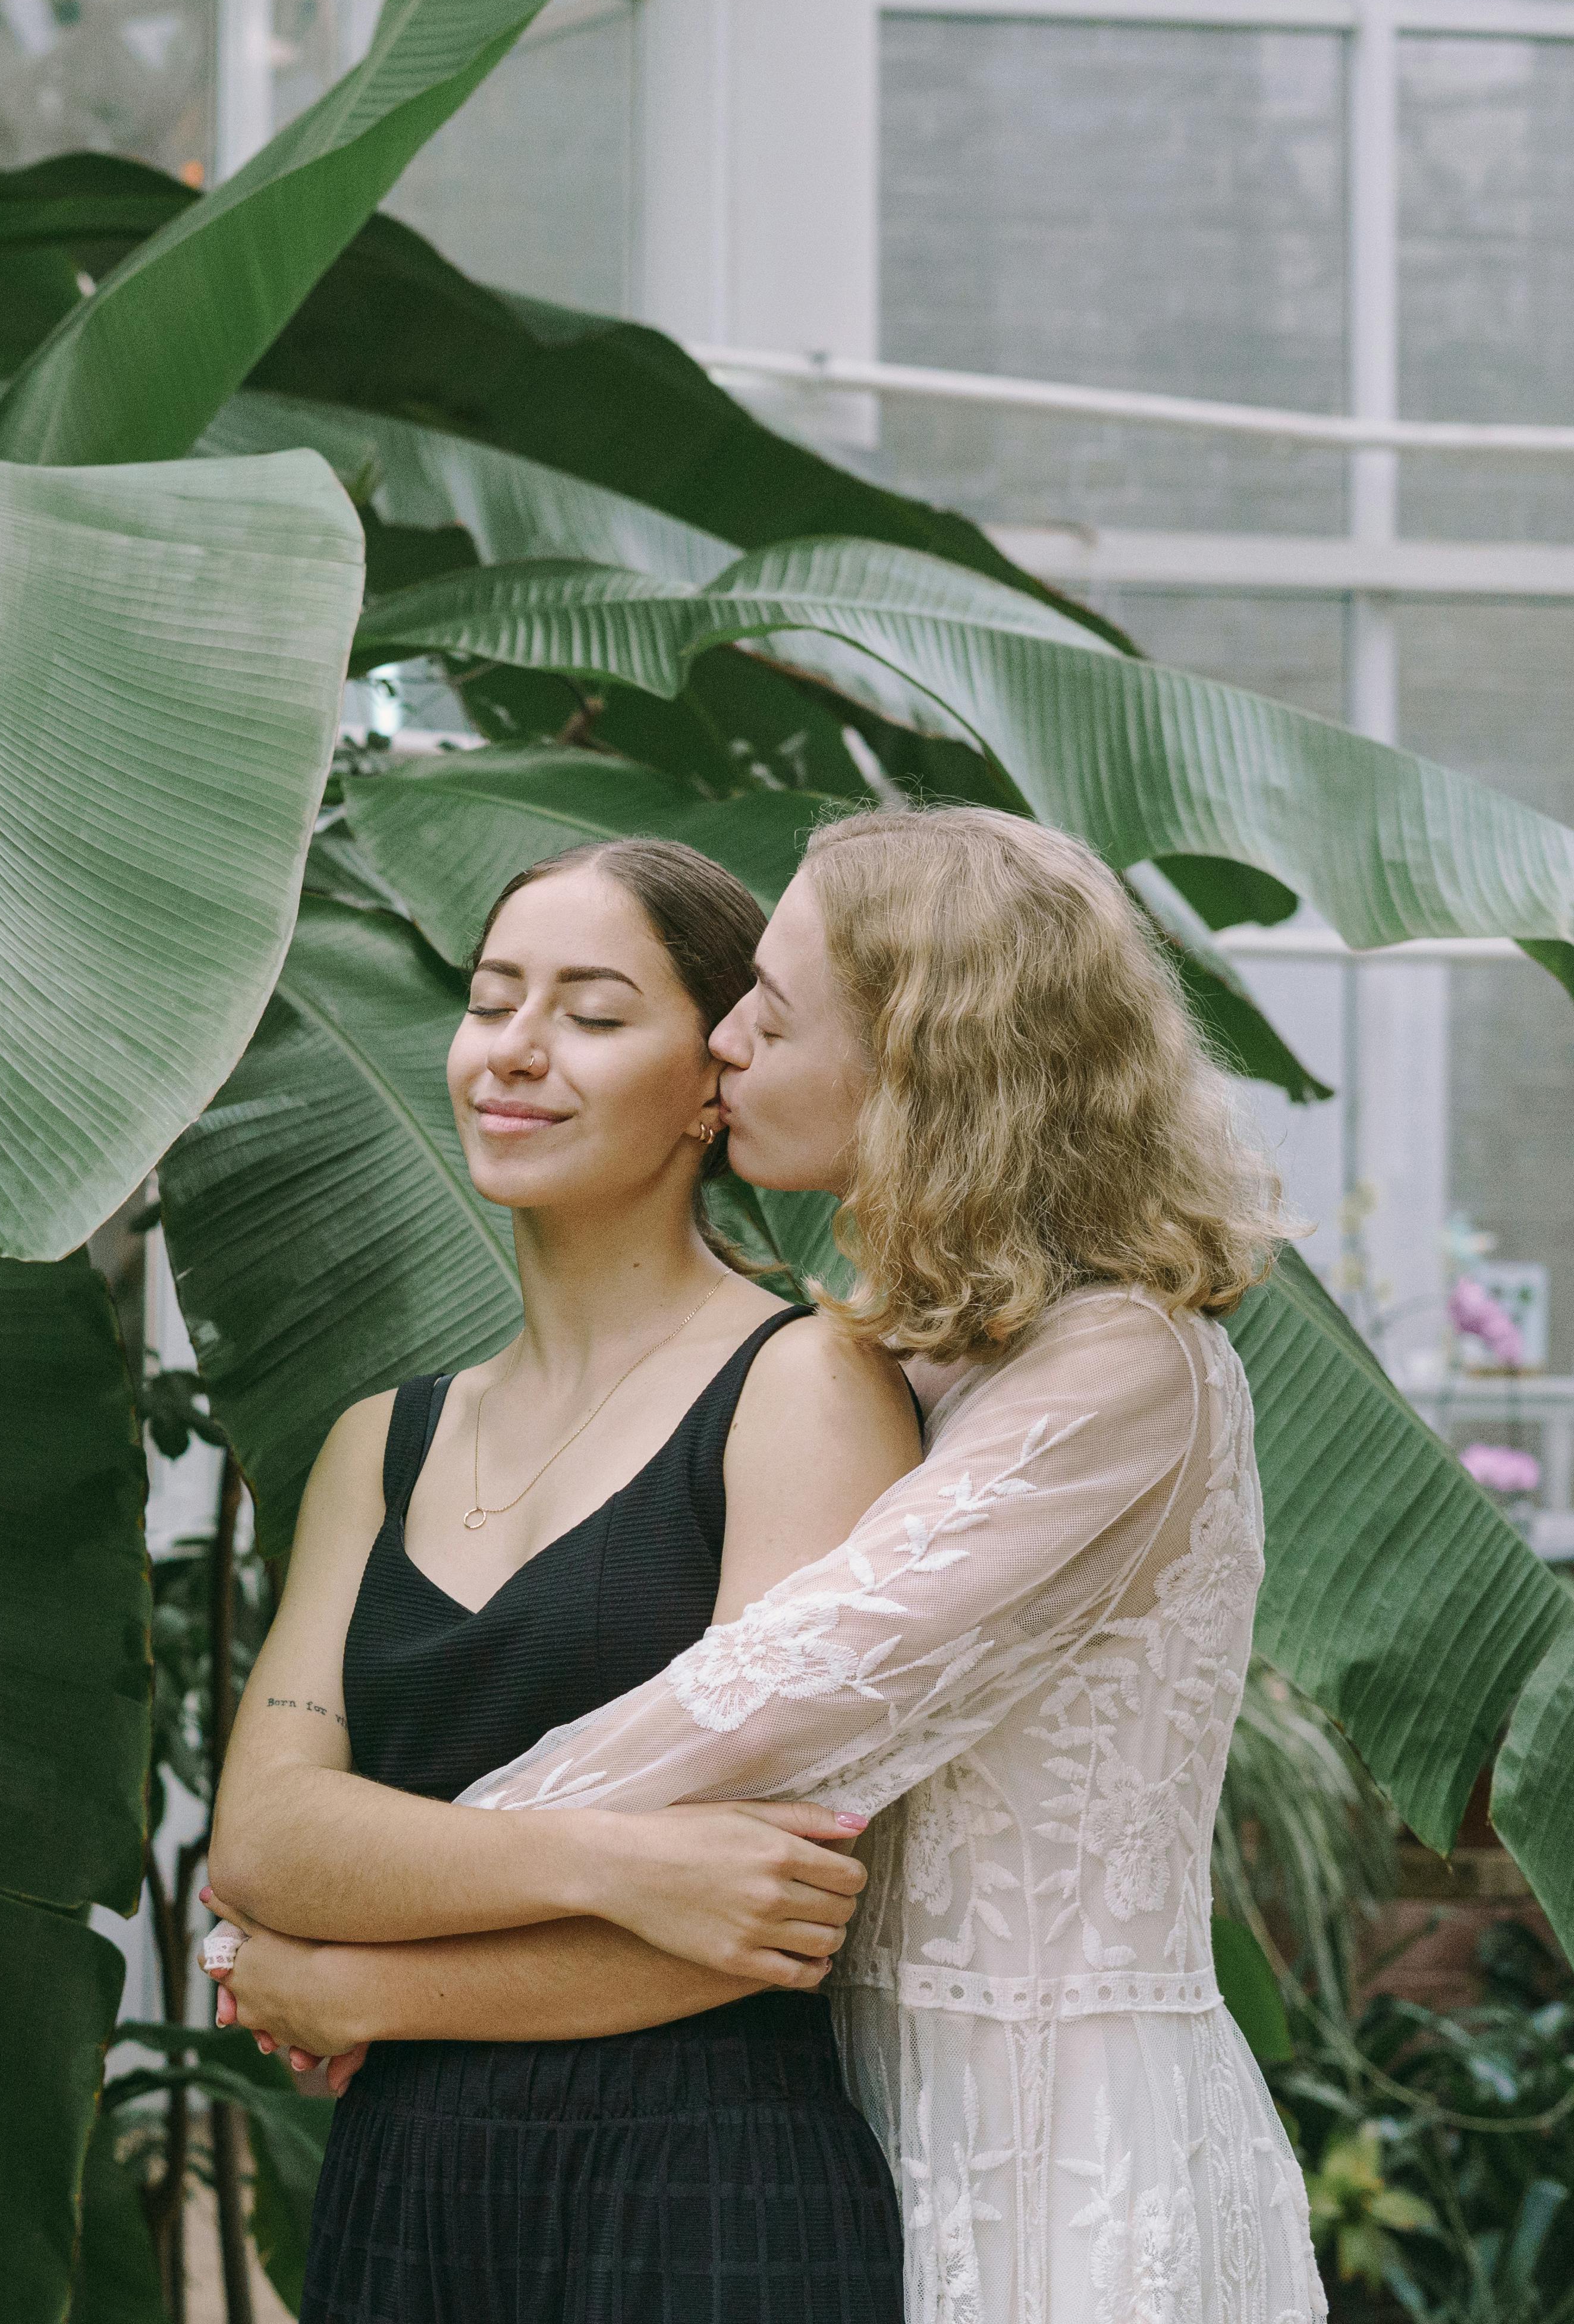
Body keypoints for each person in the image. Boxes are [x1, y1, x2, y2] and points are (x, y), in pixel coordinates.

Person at [209, 805, 1323, 2324]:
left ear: (924, 1062)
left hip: (1047, 2142)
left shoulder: (1105, 1366)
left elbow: (746, 1728)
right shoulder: (938, 1357)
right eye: (489, 996)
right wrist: (411, 1885)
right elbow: (674, 1830)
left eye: (764, 1014)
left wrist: (351, 1942)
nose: (730, 1047)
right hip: (879, 2112)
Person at [200, 834, 923, 2322]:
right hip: (406, 2187)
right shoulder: (376, 1442)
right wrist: (622, 1862)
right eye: (490, 1001)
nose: (514, 1054)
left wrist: (373, 1982)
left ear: (712, 1076)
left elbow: (766, 1916)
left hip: (705, 2188)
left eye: (593, 1016)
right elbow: (265, 1838)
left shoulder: (805, 1386)